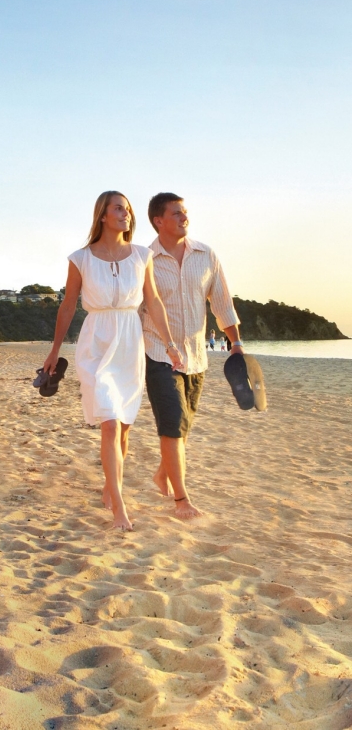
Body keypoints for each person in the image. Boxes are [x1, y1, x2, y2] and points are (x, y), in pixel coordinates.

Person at [43, 190, 182, 532]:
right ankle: (119, 506)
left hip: (129, 343)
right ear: (103, 215)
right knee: (108, 421)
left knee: (123, 428)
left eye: (129, 210)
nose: (126, 214)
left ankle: (110, 484)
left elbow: (153, 301)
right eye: (119, 208)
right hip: (96, 342)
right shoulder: (81, 259)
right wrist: (54, 348)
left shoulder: (140, 256)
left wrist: (170, 344)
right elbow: (68, 306)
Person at [141, 192, 243, 520]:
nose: (185, 218)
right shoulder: (145, 259)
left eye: (185, 212)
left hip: (196, 357)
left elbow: (222, 303)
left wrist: (236, 344)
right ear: (159, 220)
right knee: (172, 422)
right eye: (177, 213)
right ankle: (181, 499)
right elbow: (136, 308)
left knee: (182, 427)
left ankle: (162, 473)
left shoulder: (206, 255)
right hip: (158, 353)